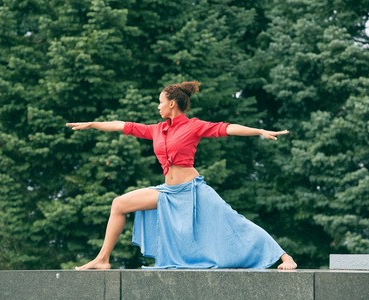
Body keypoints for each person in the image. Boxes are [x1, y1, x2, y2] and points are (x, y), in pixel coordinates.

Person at [66, 81, 297, 270]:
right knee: (119, 204)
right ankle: (103, 259)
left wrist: (259, 131)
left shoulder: (194, 126)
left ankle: (285, 256)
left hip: (192, 190)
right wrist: (93, 124)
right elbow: (124, 125)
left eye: (160, 102)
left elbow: (226, 128)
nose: (158, 107)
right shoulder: (157, 129)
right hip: (168, 193)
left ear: (172, 104)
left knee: (234, 220)